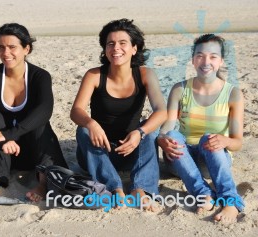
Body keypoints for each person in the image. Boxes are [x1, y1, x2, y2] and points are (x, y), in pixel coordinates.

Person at [70, 19, 167, 210]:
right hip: (98, 153)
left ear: (134, 48)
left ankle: (141, 189)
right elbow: (76, 111)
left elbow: (161, 111)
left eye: (123, 43)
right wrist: (91, 123)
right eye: (110, 43)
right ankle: (114, 188)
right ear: (105, 49)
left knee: (151, 130)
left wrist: (139, 133)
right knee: (83, 130)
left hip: (132, 151)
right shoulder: (95, 75)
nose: (116, 48)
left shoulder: (146, 74)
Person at [0, 23, 67, 205]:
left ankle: (42, 183)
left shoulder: (40, 76)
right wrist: (2, 141)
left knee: (40, 120)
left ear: (26, 49)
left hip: (33, 151)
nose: (6, 53)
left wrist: (10, 136)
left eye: (12, 47)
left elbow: (46, 109)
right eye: (1, 47)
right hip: (1, 153)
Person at [157, 34, 244, 223]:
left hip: (213, 161)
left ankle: (230, 201)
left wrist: (225, 140)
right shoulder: (179, 89)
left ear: (220, 61)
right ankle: (203, 193)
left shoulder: (233, 94)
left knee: (209, 137)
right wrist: (162, 138)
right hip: (181, 160)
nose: (206, 61)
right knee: (172, 134)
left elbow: (237, 142)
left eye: (213, 56)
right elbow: (169, 124)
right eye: (200, 56)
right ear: (193, 59)